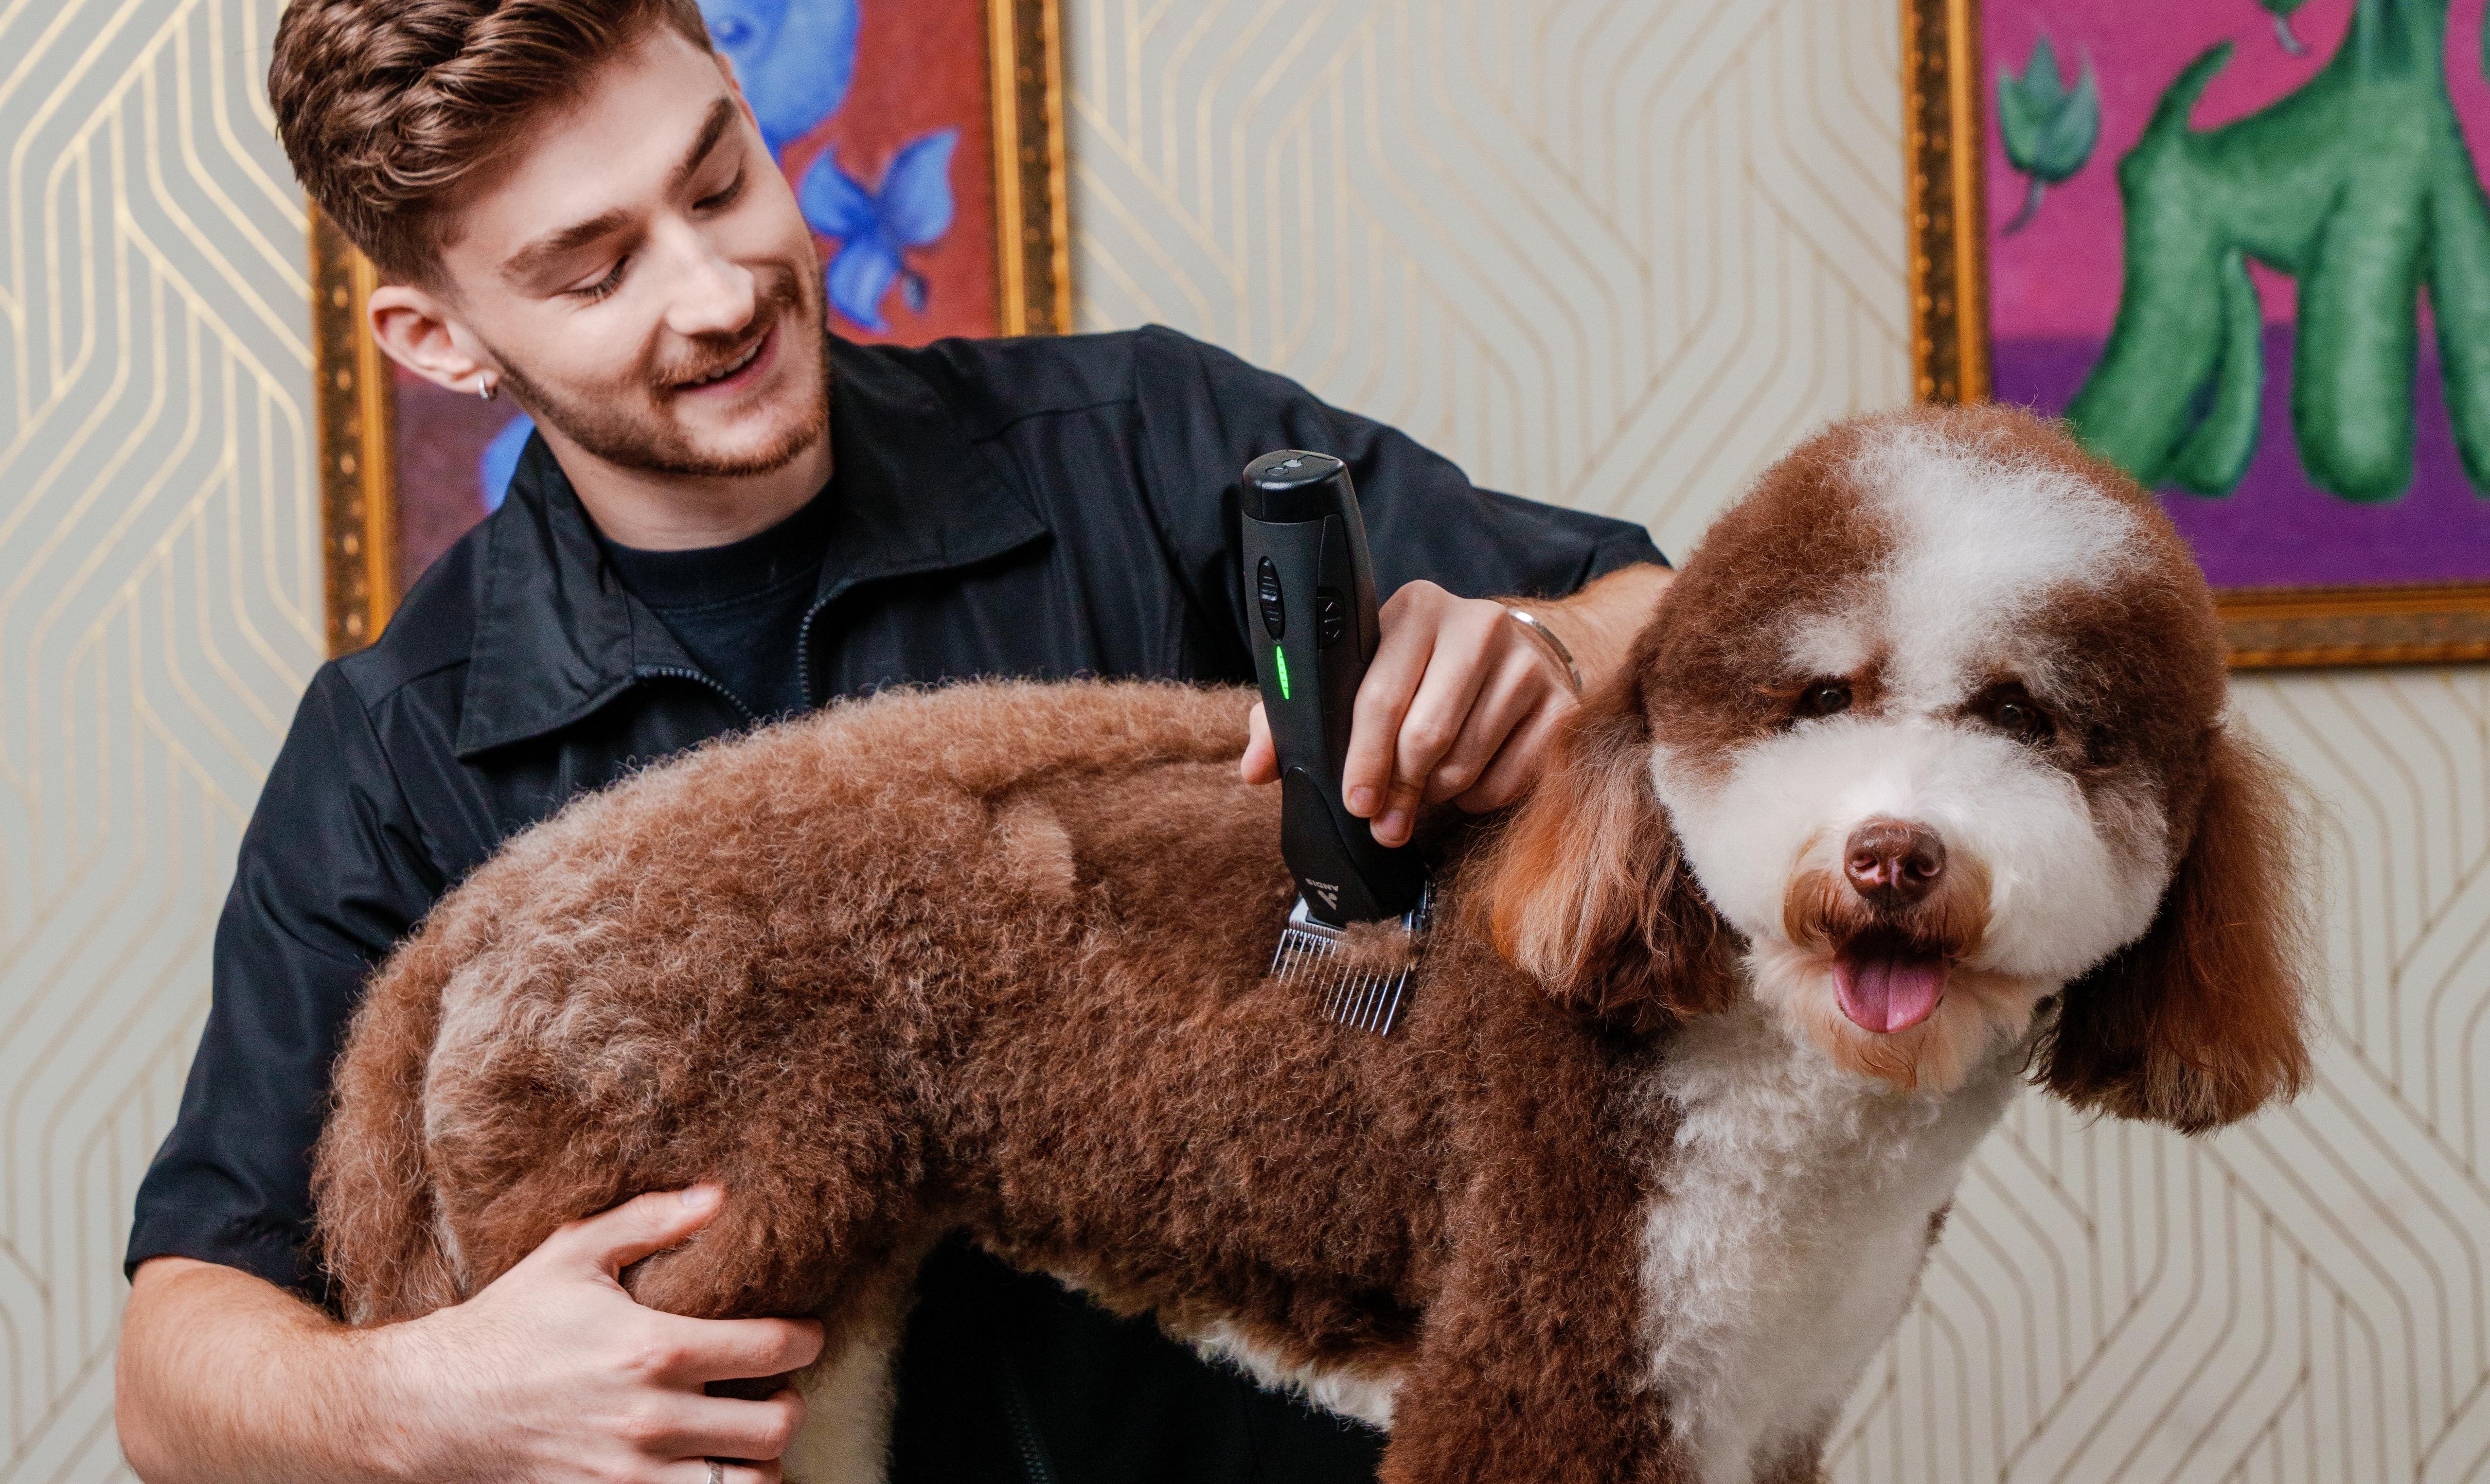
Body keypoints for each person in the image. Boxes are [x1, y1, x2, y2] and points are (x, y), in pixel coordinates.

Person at [111, 2, 1672, 1480]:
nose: (718, 290)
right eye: (595, 273)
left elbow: (1671, 616)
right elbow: (172, 1367)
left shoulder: (1138, 440)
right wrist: (432, 1397)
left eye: (721, 180)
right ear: (441, 340)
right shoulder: (392, 750)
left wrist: (1549, 647)